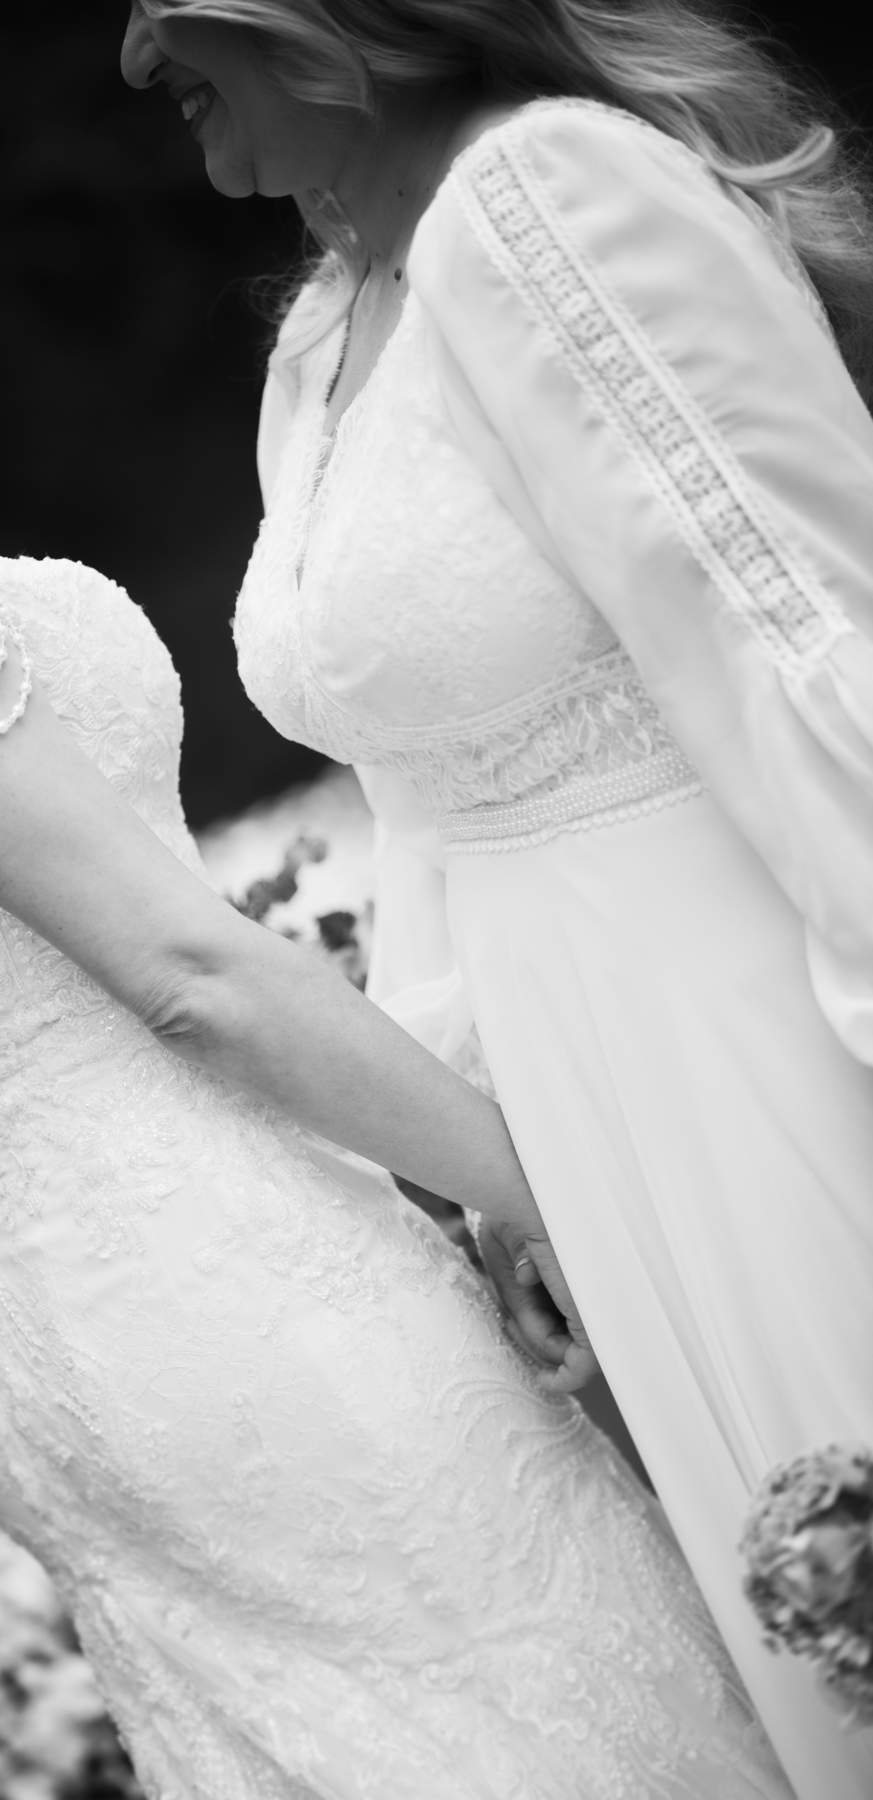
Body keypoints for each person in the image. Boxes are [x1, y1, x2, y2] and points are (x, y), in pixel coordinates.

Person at [0, 91, 795, 1800]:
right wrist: (549, 1197)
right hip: (244, 1280)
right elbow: (186, 976)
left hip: (28, 1343)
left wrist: (14, 1186)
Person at [120, 2, 873, 1794]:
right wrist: (483, 1149)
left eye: (160, 5)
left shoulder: (550, 191)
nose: (134, 57)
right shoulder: (325, 332)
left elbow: (804, 635)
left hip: (760, 1037)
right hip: (587, 1123)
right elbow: (420, 789)